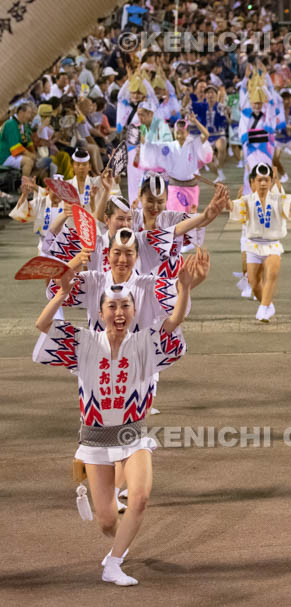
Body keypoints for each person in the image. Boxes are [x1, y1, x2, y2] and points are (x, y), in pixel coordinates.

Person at [31, 251, 204, 586]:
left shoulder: (145, 343)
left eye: (126, 306)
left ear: (134, 312)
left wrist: (184, 289)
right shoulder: (83, 342)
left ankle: (114, 563)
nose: (119, 312)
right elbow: (43, 325)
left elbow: (173, 323)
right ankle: (117, 538)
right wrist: (63, 294)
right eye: (112, 306)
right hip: (95, 440)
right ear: (101, 313)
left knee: (140, 498)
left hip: (132, 436)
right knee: (108, 522)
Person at [228, 164, 291, 322]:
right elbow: (232, 206)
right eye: (260, 180)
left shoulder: (278, 199)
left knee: (272, 274)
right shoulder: (247, 200)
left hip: (272, 245)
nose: (263, 183)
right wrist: (223, 199)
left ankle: (263, 307)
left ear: (271, 182)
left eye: (266, 180)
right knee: (254, 282)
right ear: (252, 182)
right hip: (253, 246)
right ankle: (268, 305)